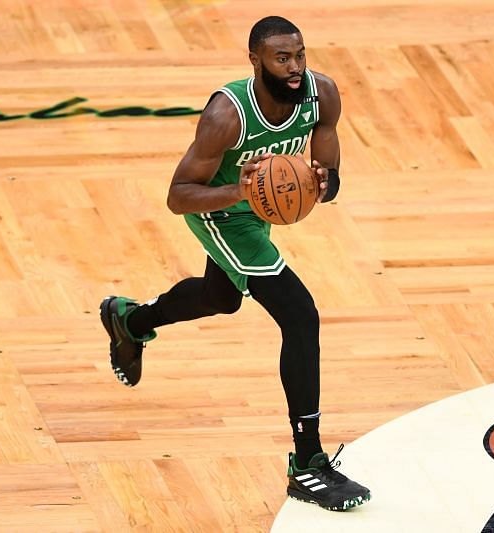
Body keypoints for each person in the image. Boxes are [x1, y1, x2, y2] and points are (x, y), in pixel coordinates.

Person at [99, 16, 370, 512]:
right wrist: (240, 190)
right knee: (300, 314)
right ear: (255, 61)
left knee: (220, 298)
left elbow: (330, 173)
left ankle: (130, 320)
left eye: (300, 55)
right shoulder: (227, 115)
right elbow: (178, 196)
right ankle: (308, 463)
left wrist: (323, 184)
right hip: (222, 212)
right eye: (281, 58)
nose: (295, 68)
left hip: (259, 209)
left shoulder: (322, 95)